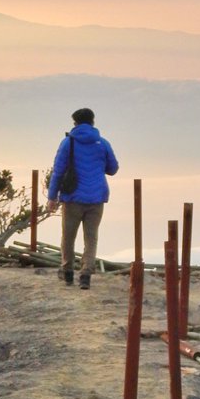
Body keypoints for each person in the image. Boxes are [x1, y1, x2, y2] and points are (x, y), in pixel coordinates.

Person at [46, 107, 119, 290]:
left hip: (73, 197)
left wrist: (52, 197)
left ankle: (68, 271)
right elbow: (113, 168)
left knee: (68, 236)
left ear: (75, 123)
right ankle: (86, 275)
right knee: (91, 237)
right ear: (93, 122)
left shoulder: (67, 143)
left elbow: (58, 171)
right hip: (96, 197)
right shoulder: (102, 143)